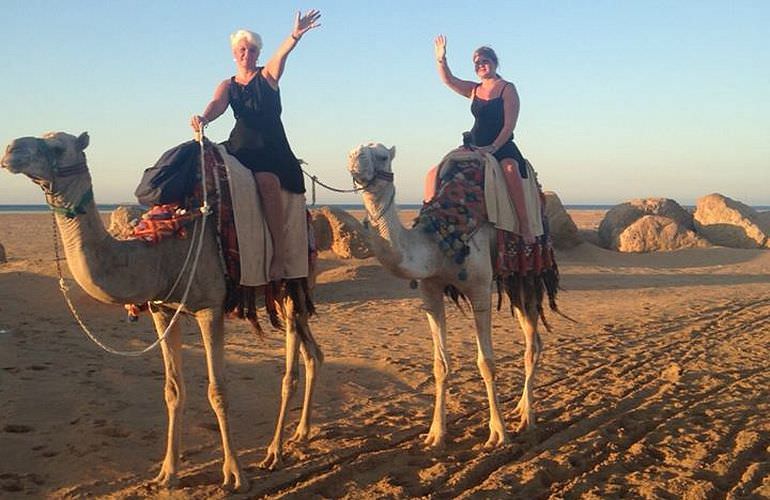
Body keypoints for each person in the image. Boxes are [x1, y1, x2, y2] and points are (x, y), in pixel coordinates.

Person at [191, 10, 321, 280]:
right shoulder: (228, 84)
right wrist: (204, 117)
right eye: (241, 49)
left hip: (270, 148)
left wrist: (294, 35)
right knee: (201, 166)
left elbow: (281, 56)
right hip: (241, 145)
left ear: (257, 54)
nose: (245, 54)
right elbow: (217, 104)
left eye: (251, 50)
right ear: (233, 53)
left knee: (267, 184)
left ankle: (279, 254)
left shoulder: (268, 77)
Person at [429, 35, 534, 243]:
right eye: (477, 63)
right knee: (435, 172)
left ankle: (525, 225)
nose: (481, 66)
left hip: (501, 145)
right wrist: (441, 60)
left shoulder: (507, 88)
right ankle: (430, 220)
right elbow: (448, 80)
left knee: (511, 170)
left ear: (494, 63)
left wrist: (493, 148)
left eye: (484, 61)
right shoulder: (474, 89)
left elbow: (509, 125)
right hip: (474, 143)